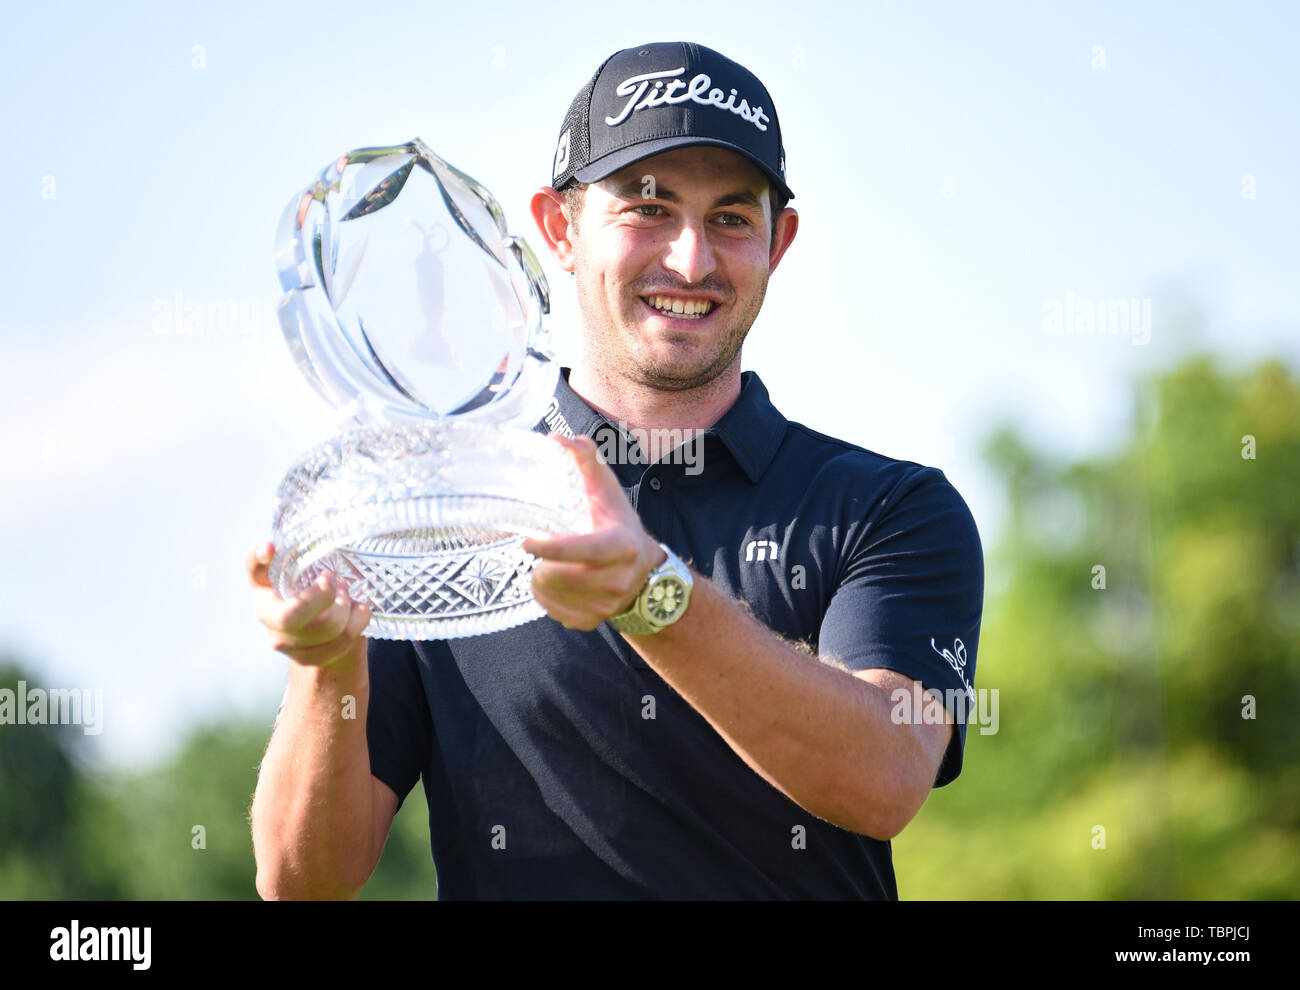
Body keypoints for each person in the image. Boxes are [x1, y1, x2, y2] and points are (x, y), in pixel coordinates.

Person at [248, 40, 984, 900]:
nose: (691, 260)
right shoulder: (446, 514)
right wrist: (327, 666)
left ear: (778, 243)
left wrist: (650, 592)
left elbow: (887, 776)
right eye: (647, 208)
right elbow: (302, 879)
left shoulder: (886, 508)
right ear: (560, 229)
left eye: (731, 219)